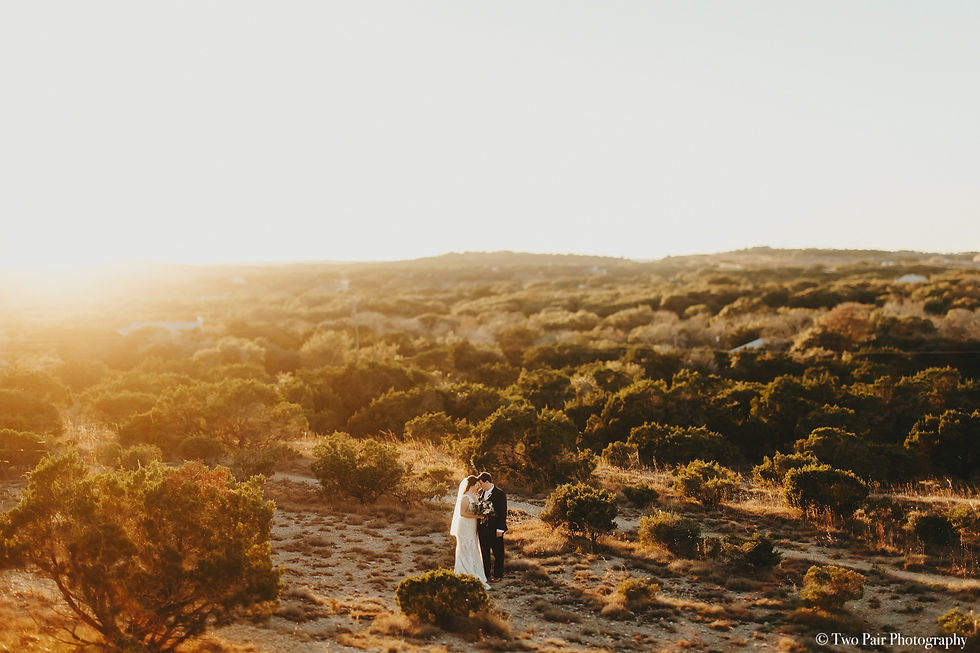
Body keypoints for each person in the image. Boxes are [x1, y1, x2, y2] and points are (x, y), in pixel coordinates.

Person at [449, 475, 490, 590]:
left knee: (473, 546)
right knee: (465, 546)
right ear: (472, 484)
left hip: (472, 525)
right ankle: (464, 571)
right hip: (465, 525)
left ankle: (474, 570)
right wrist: (477, 516)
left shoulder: (476, 496)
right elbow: (462, 513)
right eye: (477, 484)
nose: (479, 485)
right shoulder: (465, 497)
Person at [476, 472, 507, 581]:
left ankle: (498, 574)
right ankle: (486, 574)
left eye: (481, 483)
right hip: (483, 528)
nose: (480, 486)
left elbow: (503, 512)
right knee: (484, 552)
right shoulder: (480, 492)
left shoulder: (499, 494)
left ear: (487, 481)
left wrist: (500, 529)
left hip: (495, 528)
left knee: (498, 552)